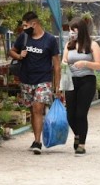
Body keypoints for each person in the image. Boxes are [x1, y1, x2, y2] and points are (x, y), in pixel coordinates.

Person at [9, 11, 61, 155]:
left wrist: (57, 85)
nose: (23, 27)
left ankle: (38, 141)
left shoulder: (49, 40)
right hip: (26, 79)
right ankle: (35, 138)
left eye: (25, 25)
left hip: (43, 79)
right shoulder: (24, 37)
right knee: (33, 110)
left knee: (38, 108)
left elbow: (56, 64)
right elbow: (11, 51)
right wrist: (19, 56)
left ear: (34, 24)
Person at [62, 18, 100, 156]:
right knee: (70, 114)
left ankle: (82, 144)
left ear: (81, 30)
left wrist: (85, 63)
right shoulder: (69, 45)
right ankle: (77, 134)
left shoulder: (92, 45)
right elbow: (64, 60)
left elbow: (99, 65)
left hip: (87, 80)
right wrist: (63, 64)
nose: (72, 33)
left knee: (81, 113)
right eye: (70, 30)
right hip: (71, 80)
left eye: (74, 30)